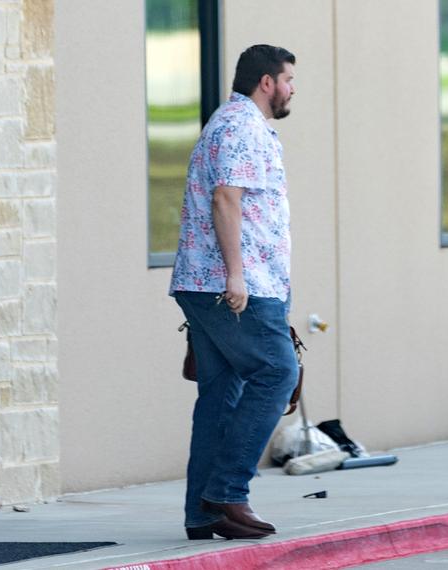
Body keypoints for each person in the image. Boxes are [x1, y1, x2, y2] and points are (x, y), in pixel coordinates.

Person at [168, 44, 300, 540]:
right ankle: (226, 492)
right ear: (266, 82)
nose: (291, 90)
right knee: (277, 371)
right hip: (233, 285)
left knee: (221, 394)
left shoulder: (233, 124)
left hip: (213, 282)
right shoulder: (242, 127)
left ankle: (203, 514)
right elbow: (226, 199)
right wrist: (237, 275)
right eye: (288, 80)